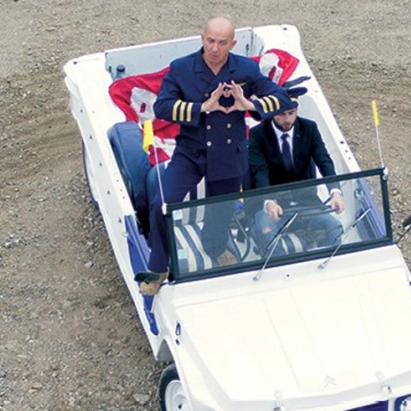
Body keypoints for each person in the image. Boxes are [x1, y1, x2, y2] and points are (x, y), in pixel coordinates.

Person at [139, 16, 293, 295]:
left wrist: (248, 104)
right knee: (162, 203)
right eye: (210, 40)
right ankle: (158, 266)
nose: (214, 48)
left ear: (232, 44)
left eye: (222, 43)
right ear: (202, 38)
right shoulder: (182, 68)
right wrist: (202, 107)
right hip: (191, 150)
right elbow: (162, 107)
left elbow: (281, 98)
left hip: (229, 150)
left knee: (220, 209)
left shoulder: (245, 69)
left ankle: (214, 245)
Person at [248, 86, 346, 255]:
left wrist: (335, 191)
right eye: (281, 114)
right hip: (272, 203)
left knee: (335, 228)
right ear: (271, 113)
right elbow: (259, 171)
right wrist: (269, 200)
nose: (287, 119)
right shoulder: (258, 134)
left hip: (305, 202)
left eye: (291, 113)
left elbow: (323, 160)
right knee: (267, 236)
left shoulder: (309, 128)